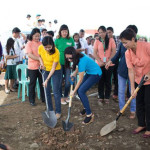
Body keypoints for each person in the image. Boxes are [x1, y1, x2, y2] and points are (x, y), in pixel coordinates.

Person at [120, 28, 150, 138]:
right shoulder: (127, 53)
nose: (124, 45)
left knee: (148, 104)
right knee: (139, 103)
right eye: (122, 43)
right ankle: (141, 124)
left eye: (125, 42)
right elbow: (131, 70)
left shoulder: (146, 46)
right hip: (139, 80)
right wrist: (132, 88)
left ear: (133, 39)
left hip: (149, 80)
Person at [105, 25, 138, 119]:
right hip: (122, 71)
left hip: (134, 72)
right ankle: (121, 109)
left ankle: (133, 110)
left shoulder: (139, 45)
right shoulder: (123, 44)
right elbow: (117, 55)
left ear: (134, 35)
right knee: (121, 90)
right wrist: (110, 61)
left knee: (133, 91)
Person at [65, 46, 102, 124]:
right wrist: (74, 73)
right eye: (67, 58)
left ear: (74, 55)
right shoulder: (79, 55)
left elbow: (80, 79)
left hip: (96, 74)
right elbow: (78, 67)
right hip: (89, 72)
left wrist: (73, 91)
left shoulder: (82, 60)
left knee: (80, 91)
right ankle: (86, 107)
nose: (69, 60)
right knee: (80, 91)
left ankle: (89, 115)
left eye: (70, 58)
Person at [38, 36, 62, 119]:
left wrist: (47, 80)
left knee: (55, 91)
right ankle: (50, 110)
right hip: (45, 70)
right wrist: (41, 63)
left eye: (49, 47)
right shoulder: (41, 48)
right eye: (46, 47)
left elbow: (53, 68)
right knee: (46, 90)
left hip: (56, 71)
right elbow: (39, 56)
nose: (47, 49)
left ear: (52, 45)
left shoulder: (56, 52)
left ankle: (58, 111)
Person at [93, 26, 116, 104]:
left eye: (102, 32)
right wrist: (100, 61)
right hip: (99, 64)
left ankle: (107, 96)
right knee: (100, 80)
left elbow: (114, 52)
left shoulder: (111, 40)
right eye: (99, 32)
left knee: (108, 81)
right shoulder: (97, 41)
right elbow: (94, 53)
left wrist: (108, 61)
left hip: (109, 64)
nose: (101, 34)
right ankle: (101, 96)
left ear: (105, 32)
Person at [55, 24, 74, 105]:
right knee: (59, 82)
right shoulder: (57, 40)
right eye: (63, 31)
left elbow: (73, 50)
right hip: (59, 63)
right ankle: (60, 98)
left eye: (66, 31)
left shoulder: (71, 39)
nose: (64, 33)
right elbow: (54, 52)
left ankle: (66, 96)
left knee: (67, 82)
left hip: (68, 63)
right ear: (60, 31)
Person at [25, 28, 45, 106]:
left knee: (42, 83)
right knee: (32, 84)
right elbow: (30, 55)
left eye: (38, 36)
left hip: (41, 67)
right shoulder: (29, 43)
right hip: (32, 67)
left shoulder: (41, 43)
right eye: (35, 36)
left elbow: (44, 54)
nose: (37, 38)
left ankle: (44, 98)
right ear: (32, 35)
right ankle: (32, 100)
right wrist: (39, 59)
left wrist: (42, 62)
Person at [107, 27, 119, 100]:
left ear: (113, 32)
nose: (108, 34)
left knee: (116, 77)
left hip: (116, 61)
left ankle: (115, 93)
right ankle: (108, 92)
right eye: (107, 32)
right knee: (108, 78)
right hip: (108, 61)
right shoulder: (106, 40)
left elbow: (118, 50)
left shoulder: (117, 39)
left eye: (110, 32)